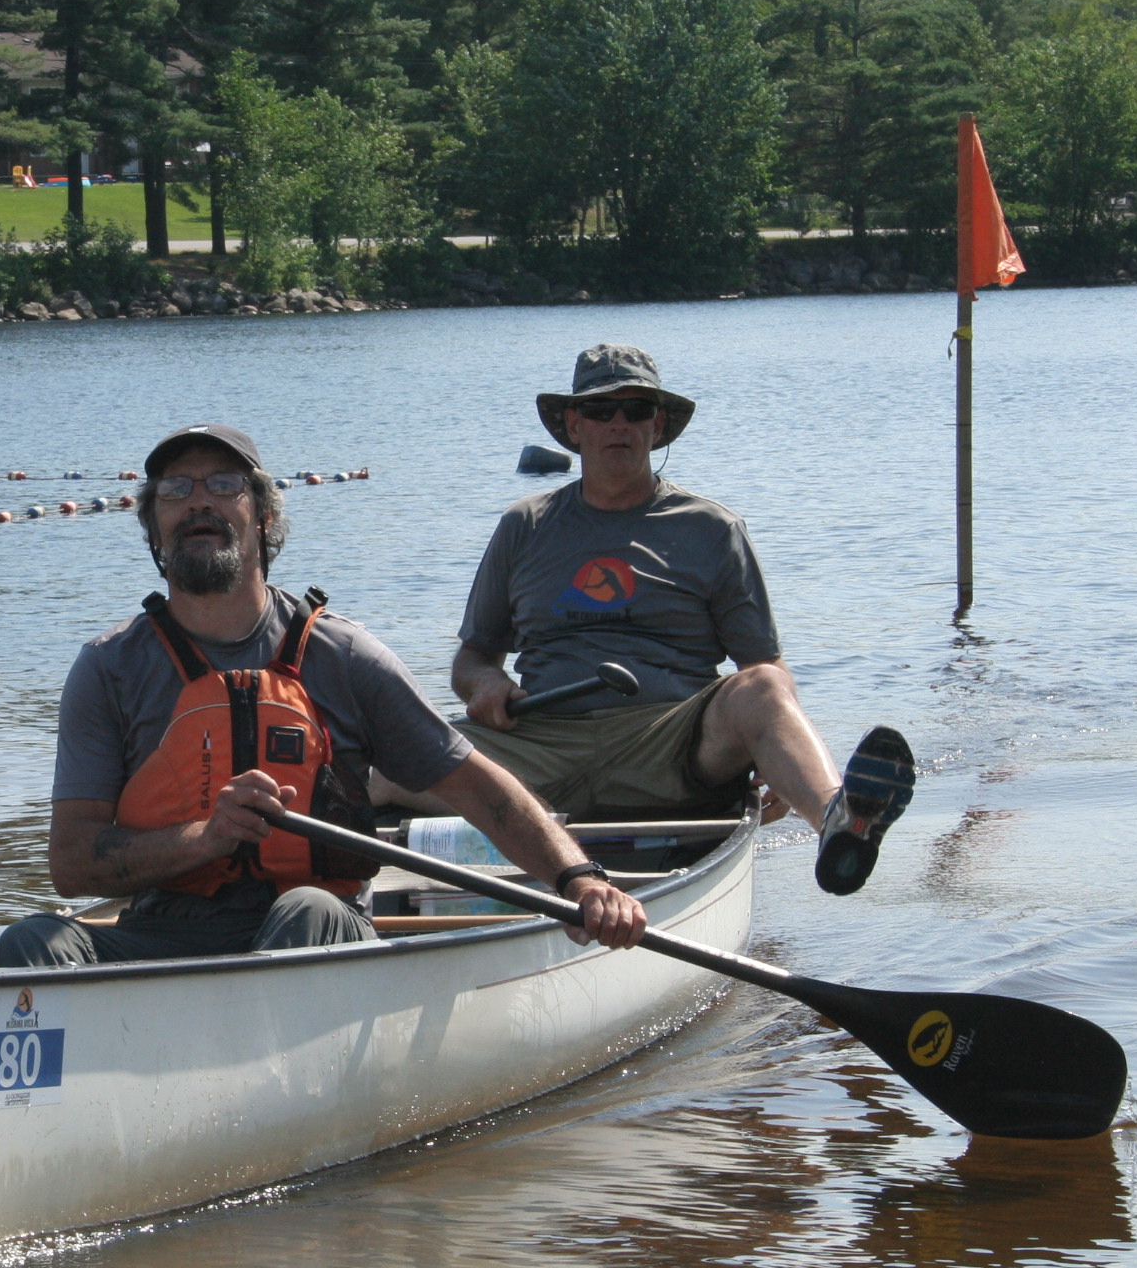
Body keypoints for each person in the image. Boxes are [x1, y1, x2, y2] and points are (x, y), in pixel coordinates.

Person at [0, 423, 647, 969]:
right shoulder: (109, 667)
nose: (198, 503)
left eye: (223, 485)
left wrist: (579, 880)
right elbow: (73, 865)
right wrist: (205, 839)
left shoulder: (344, 655)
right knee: (32, 943)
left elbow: (480, 791)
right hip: (165, 931)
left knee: (302, 910)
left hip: (321, 929)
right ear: (153, 524)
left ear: (264, 515)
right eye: (175, 490)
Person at [373, 344, 916, 896]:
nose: (619, 424)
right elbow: (473, 657)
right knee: (380, 759)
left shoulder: (712, 528)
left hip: (669, 746)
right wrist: (486, 682)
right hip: (538, 744)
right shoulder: (525, 524)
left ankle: (837, 821)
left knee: (764, 688)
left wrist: (778, 759)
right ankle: (334, 886)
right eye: (601, 410)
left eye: (635, 411)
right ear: (574, 424)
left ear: (657, 427)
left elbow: (765, 668)